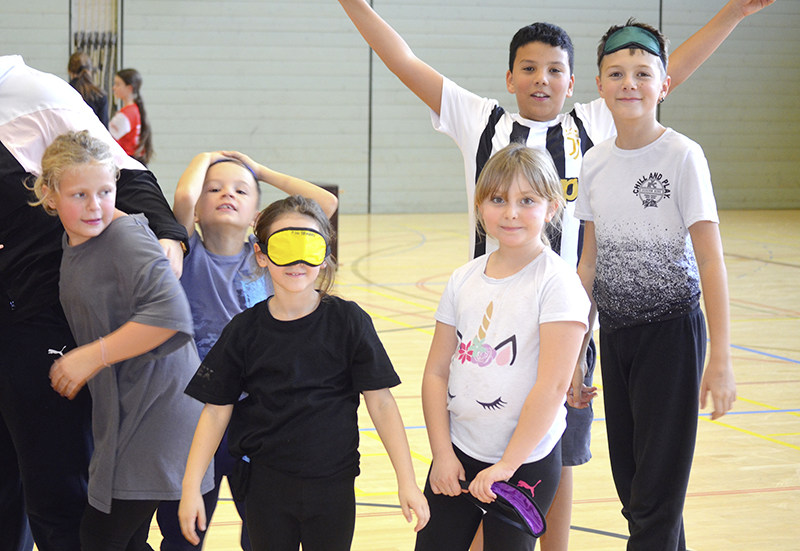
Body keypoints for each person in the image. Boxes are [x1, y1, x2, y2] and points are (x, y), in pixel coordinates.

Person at [333, 2, 772, 549]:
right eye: (529, 68)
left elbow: (665, 70)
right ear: (509, 77)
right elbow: (401, 59)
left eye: (554, 69)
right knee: (483, 448)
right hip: (492, 326)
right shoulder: (481, 120)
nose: (542, 78)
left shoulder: (595, 124)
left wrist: (732, 13)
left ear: (574, 83)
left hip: (566, 326)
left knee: (555, 451)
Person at [0, 54, 187, 551]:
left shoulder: (29, 94)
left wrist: (169, 235)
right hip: (17, 329)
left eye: (98, 195)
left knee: (63, 495)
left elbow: (122, 172)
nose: (92, 204)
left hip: (48, 328)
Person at [178, 194, 429, 551]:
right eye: (284, 248)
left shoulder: (348, 321)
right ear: (261, 254)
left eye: (308, 248)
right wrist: (191, 488)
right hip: (265, 487)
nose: (296, 262)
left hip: (333, 486)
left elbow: (382, 403)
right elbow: (216, 411)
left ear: (324, 254)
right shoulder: (244, 330)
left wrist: (407, 481)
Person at [574, 20, 736, 551]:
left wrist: (721, 358)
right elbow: (588, 265)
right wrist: (578, 351)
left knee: (654, 503)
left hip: (672, 336)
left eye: (643, 73)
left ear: (664, 84)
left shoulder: (683, 155)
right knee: (636, 492)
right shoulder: (593, 162)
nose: (630, 83)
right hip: (617, 336)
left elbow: (710, 260)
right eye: (617, 73)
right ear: (599, 85)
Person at [29, 130, 213, 551]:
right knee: (123, 540)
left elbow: (171, 315)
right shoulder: (76, 241)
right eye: (79, 195)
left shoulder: (126, 238)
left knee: (101, 537)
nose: (95, 206)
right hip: (127, 406)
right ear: (49, 195)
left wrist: (91, 356)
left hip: (161, 408)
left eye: (105, 192)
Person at [155, 151, 338, 551]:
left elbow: (325, 205)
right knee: (183, 534)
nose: (227, 194)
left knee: (262, 532)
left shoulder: (267, 258)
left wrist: (261, 171)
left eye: (241, 190)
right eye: (214, 189)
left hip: (257, 421)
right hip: (196, 419)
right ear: (198, 209)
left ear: (256, 214)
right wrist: (206, 156)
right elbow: (182, 198)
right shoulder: (185, 252)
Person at [415, 142, 589, 550]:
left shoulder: (558, 283)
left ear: (551, 208)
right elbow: (436, 372)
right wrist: (442, 453)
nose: (511, 212)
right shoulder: (463, 279)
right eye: (498, 199)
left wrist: (507, 466)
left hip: (525, 463)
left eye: (527, 200)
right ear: (480, 206)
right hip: (459, 452)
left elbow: (551, 388)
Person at [110, 68, 153, 165]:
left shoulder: (127, 114)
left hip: (127, 162)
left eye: (118, 84)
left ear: (129, 88)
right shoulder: (134, 110)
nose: (114, 88)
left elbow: (107, 137)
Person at [67, 51, 109, 127]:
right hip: (92, 134)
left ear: (69, 71)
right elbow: (104, 128)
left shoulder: (64, 92)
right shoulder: (99, 95)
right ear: (91, 70)